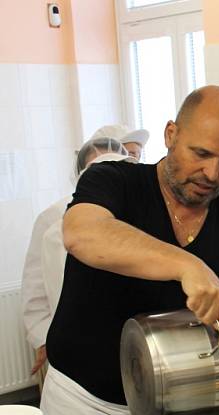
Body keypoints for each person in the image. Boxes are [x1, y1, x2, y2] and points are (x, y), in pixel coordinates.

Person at [40, 86, 219, 415]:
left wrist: (204, 364)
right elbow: (81, 233)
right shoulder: (114, 182)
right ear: (170, 135)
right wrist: (187, 265)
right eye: (201, 153)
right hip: (84, 410)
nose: (212, 173)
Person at [21, 137, 134, 376]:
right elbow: (35, 290)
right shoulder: (53, 219)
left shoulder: (136, 212)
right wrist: (45, 340)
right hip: (73, 344)